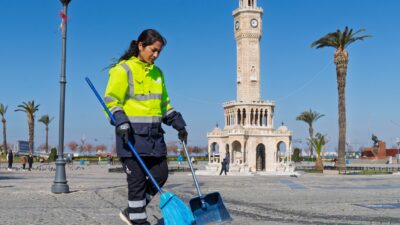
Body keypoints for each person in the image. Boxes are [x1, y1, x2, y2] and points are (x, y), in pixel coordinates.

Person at [104, 29, 188, 225]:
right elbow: (111, 100)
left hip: (154, 138)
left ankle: (132, 211)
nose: (156, 55)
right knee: (137, 184)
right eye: (153, 50)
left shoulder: (158, 74)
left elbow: (163, 104)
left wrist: (178, 122)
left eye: (159, 52)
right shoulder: (123, 69)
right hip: (131, 138)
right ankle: (139, 221)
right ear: (141, 46)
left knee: (161, 174)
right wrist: (120, 120)